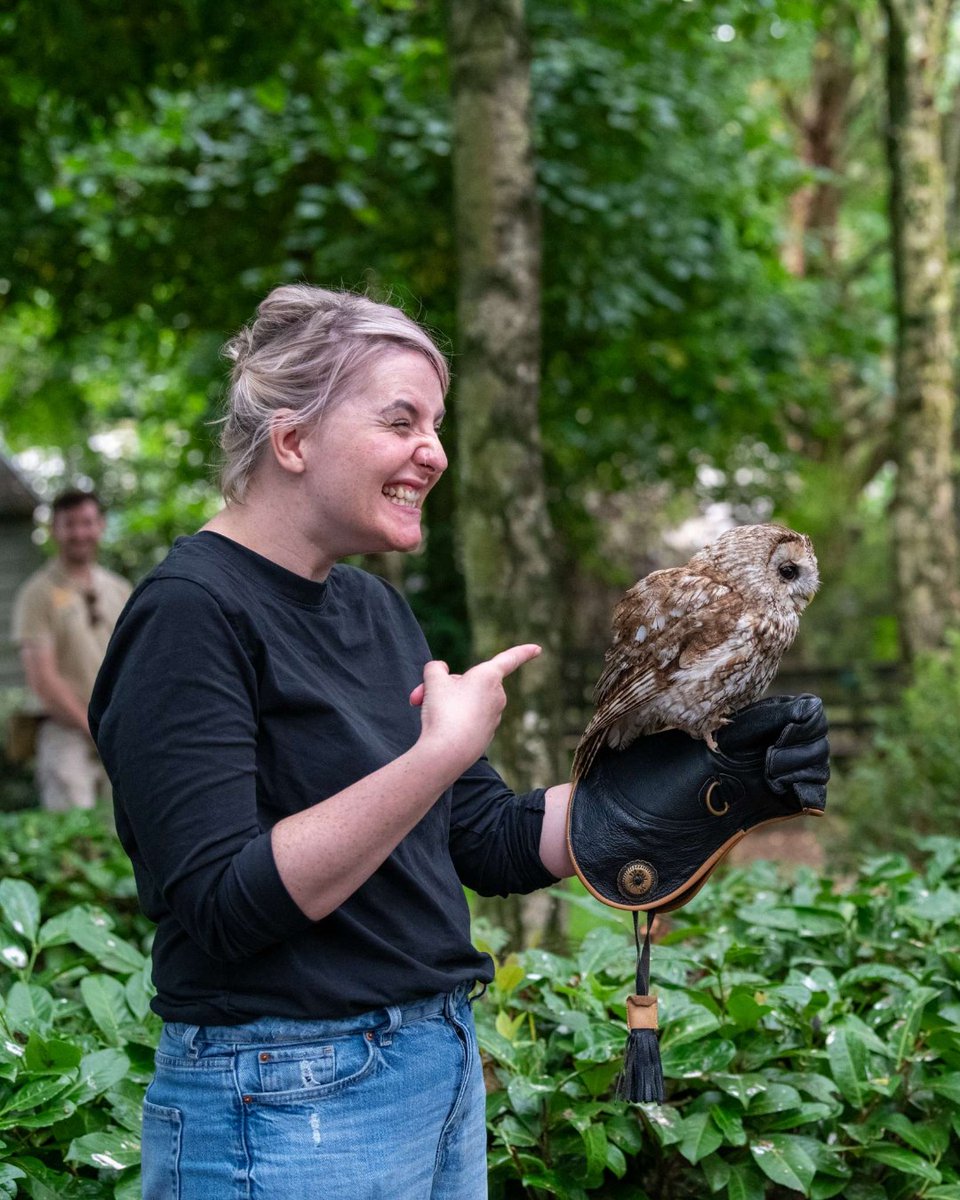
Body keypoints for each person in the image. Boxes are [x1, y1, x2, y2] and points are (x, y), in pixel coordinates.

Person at [88, 285, 828, 1200]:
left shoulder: (370, 607)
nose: (434, 454)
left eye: (437, 425)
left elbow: (482, 836)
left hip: (435, 1068)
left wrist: (715, 782)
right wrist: (433, 754)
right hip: (282, 1095)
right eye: (402, 422)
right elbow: (221, 904)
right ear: (291, 441)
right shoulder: (189, 616)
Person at [12, 488, 131, 811]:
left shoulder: (119, 589)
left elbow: (133, 664)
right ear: (54, 529)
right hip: (65, 734)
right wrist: (92, 727)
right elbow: (43, 680)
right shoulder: (37, 593)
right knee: (74, 841)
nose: (79, 533)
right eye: (69, 524)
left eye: (87, 522)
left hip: (117, 732)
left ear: (101, 526)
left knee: (124, 838)